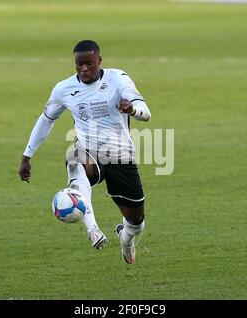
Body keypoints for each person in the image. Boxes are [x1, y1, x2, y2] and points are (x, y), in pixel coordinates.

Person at [18, 40, 151, 264]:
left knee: (136, 222)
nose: (84, 69)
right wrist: (27, 156)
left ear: (99, 60)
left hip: (120, 156)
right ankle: (93, 230)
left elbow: (145, 114)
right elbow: (46, 120)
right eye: (79, 65)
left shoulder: (118, 79)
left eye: (89, 64)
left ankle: (126, 238)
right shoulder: (64, 89)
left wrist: (132, 109)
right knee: (74, 160)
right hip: (88, 150)